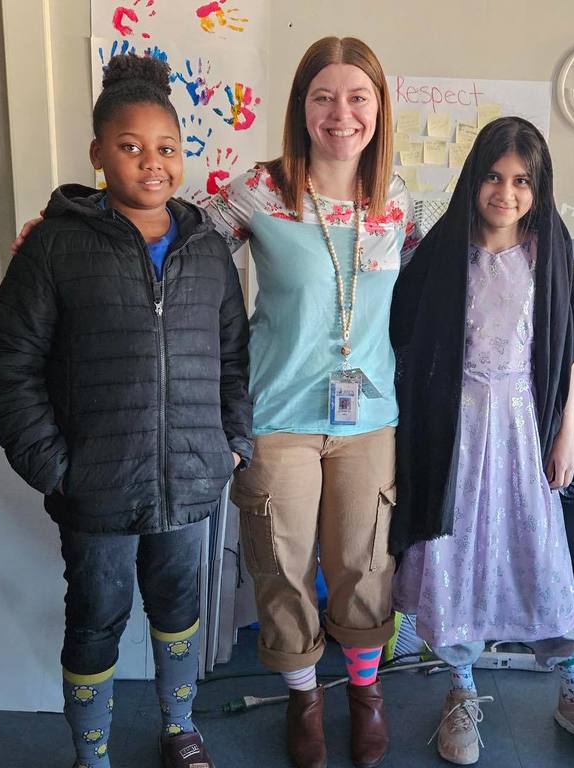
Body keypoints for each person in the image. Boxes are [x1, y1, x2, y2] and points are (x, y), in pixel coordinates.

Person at [0, 54, 252, 768]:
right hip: (94, 489)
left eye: (166, 149)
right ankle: (92, 754)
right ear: (99, 152)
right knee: (96, 619)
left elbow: (234, 359)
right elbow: (9, 365)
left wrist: (231, 443)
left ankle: (179, 728)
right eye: (130, 147)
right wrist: (55, 467)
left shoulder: (208, 250)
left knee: (178, 609)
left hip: (189, 485)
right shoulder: (53, 246)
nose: (151, 164)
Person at [388, 117, 574, 767]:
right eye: (494, 177)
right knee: (458, 561)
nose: (506, 192)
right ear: (474, 179)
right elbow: (405, 340)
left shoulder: (548, 245)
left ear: (538, 186)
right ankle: (461, 690)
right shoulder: (442, 251)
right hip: (455, 435)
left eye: (522, 180)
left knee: (544, 562)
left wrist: (567, 431)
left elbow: (568, 343)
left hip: (524, 428)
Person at [205, 36, 417, 768]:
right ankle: (304, 697)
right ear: (302, 107)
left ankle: (365, 695)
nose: (341, 112)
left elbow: (447, 287)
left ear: (379, 107)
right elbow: (171, 235)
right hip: (278, 416)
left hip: (373, 417)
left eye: (358, 96)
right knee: (282, 565)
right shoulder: (260, 191)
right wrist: (73, 225)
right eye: (324, 96)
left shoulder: (399, 203)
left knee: (365, 565)